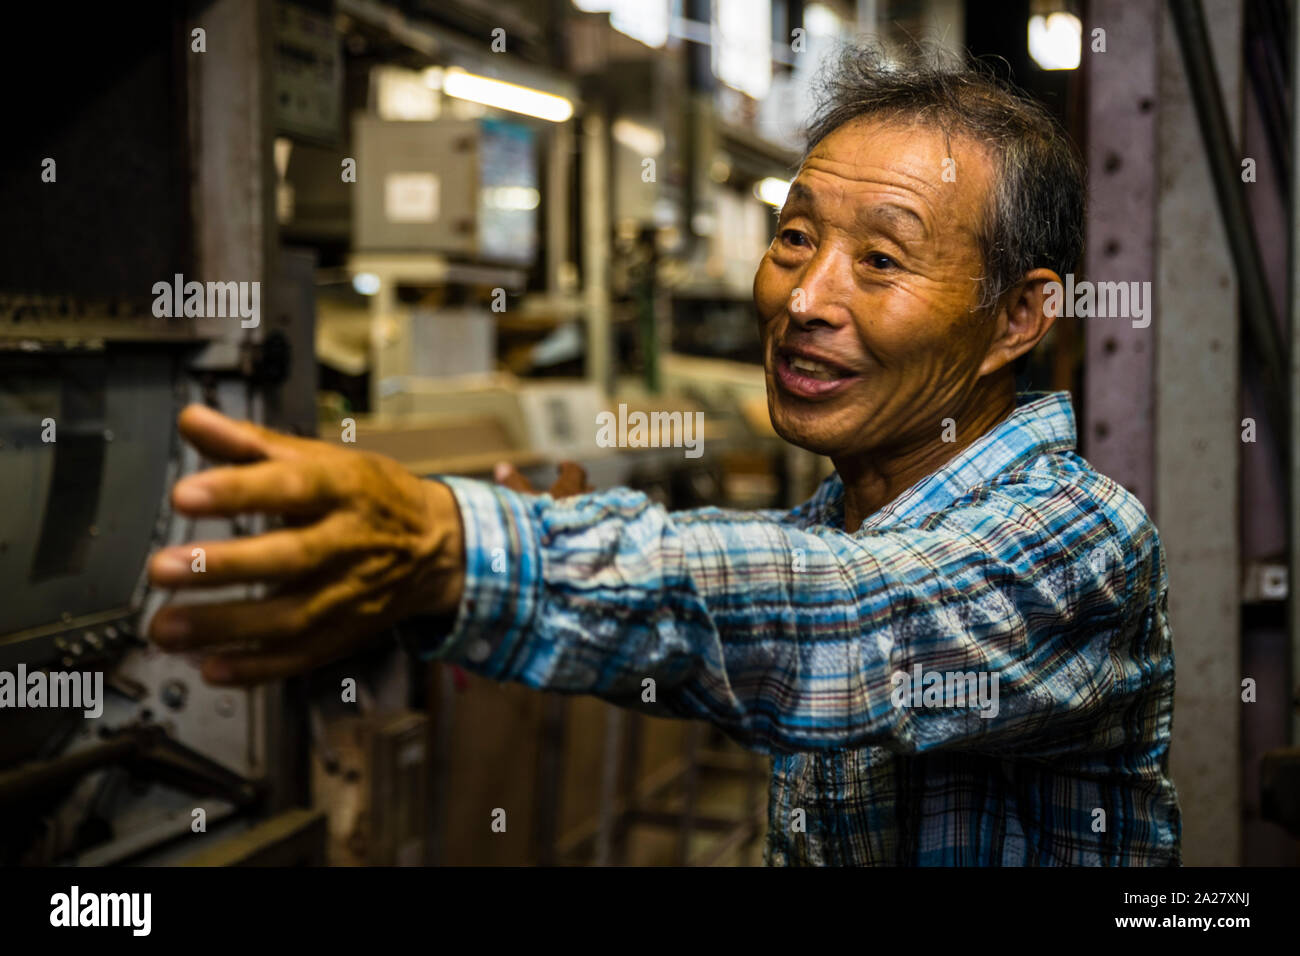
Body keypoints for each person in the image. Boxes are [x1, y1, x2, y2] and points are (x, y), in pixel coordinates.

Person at [147, 47, 1181, 865]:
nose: (804, 300)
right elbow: (751, 585)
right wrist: (504, 546)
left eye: (879, 259)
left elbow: (840, 623)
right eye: (793, 238)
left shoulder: (1082, 540)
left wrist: (464, 545)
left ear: (1018, 317)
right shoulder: (834, 526)